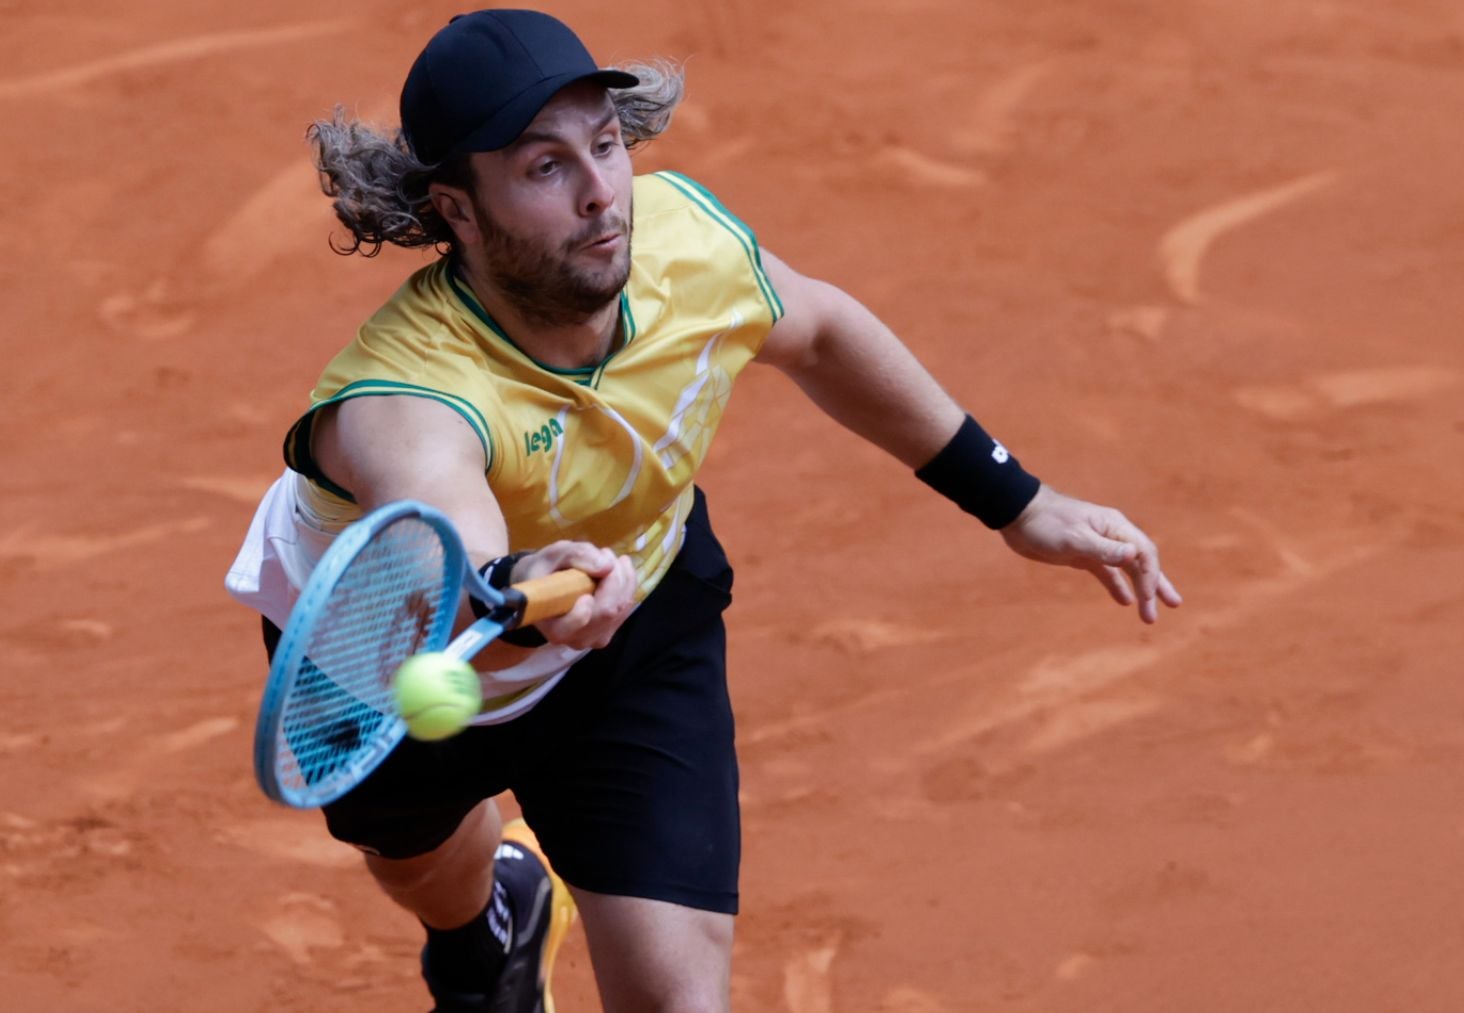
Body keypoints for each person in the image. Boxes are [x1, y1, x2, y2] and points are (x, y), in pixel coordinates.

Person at [224, 9, 1182, 1011]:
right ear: (458, 211)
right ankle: (486, 929)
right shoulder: (404, 399)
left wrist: (1018, 501)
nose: (602, 193)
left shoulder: (685, 244)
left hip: (632, 623)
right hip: (392, 655)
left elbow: (816, 329)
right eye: (545, 168)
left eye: (605, 145)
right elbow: (453, 541)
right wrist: (522, 587)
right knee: (429, 871)